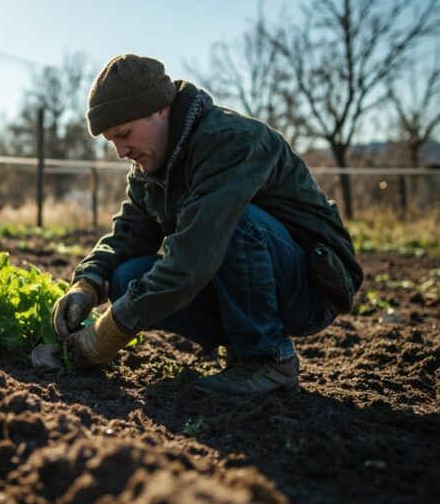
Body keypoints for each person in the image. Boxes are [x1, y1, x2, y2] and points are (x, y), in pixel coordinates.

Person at [51, 53, 362, 395]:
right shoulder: (150, 169)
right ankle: (242, 346)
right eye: (112, 141)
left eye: (124, 134)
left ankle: (269, 360)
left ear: (160, 109)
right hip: (254, 277)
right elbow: (128, 234)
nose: (121, 152)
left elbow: (193, 258)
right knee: (125, 278)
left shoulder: (229, 142)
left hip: (312, 285)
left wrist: (107, 334)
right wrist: (87, 284)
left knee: (231, 223)